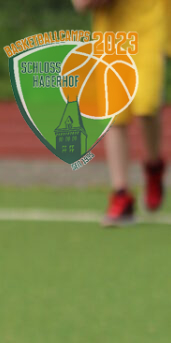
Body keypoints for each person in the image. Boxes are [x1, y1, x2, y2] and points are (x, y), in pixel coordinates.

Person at [72, 0, 169, 225]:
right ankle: (121, 193)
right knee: (114, 117)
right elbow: (80, 4)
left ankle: (154, 167)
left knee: (146, 106)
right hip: (111, 36)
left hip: (148, 28)